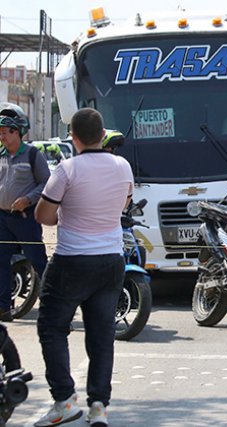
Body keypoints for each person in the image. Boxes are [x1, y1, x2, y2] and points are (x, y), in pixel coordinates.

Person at [34, 109, 133, 427]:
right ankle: (99, 407)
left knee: (51, 327)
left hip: (72, 260)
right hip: (110, 261)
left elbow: (44, 217)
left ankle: (64, 400)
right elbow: (124, 206)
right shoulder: (122, 166)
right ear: (103, 134)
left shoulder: (66, 170)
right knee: (102, 335)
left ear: (73, 138)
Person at [0, 103, 50, 322]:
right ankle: (3, 308)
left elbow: (48, 183)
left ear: (16, 132)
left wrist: (28, 199)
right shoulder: (1, 155)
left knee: (38, 261)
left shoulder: (32, 155)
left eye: (4, 132)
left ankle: (54, 306)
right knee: (1, 263)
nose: (1, 136)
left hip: (25, 219)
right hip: (2, 219)